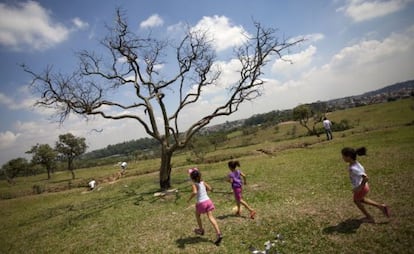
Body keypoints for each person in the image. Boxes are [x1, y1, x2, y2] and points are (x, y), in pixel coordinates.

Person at [341, 147, 390, 223]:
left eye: (343, 156)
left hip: (362, 188)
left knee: (356, 201)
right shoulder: (355, 163)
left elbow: (366, 178)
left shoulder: (354, 168)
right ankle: (381, 207)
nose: (342, 158)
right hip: (364, 187)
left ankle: (369, 217)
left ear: (348, 157)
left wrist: (359, 187)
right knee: (361, 199)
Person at [188, 169, 223, 246]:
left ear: (192, 178)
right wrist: (206, 189)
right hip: (208, 201)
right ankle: (219, 233)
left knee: (197, 215)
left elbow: (194, 192)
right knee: (211, 217)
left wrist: (189, 199)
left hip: (201, 203)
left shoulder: (194, 184)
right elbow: (210, 188)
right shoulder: (203, 182)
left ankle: (201, 230)